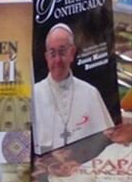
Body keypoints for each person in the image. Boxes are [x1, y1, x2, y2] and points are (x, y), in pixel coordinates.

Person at [33, 23, 113, 154]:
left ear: (72, 53)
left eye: (62, 52)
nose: (57, 60)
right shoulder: (33, 95)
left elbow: (106, 142)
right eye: (52, 54)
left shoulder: (90, 93)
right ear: (46, 57)